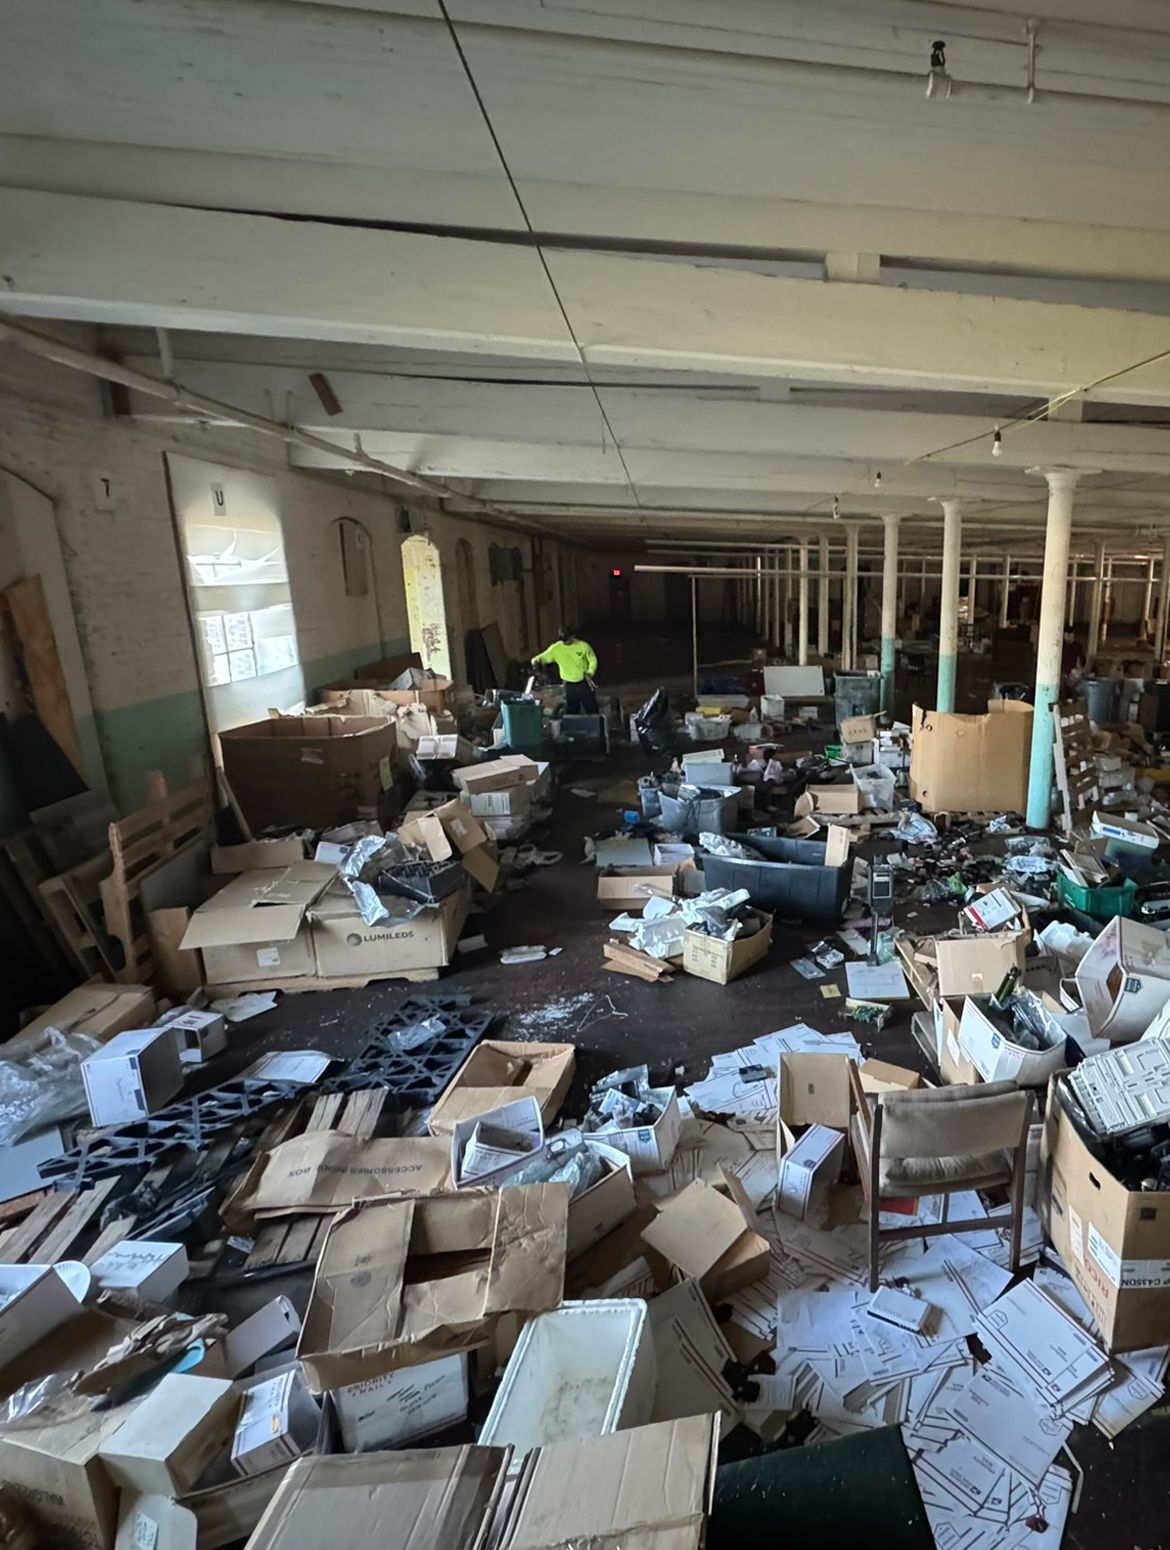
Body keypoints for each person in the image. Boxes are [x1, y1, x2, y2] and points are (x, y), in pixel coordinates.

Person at [532, 627, 599, 714]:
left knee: (591, 707)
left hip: (584, 682)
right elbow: (541, 657)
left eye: (567, 640)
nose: (565, 642)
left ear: (572, 636)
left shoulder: (583, 646)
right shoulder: (556, 648)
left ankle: (595, 721)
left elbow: (593, 660)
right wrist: (535, 662)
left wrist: (590, 672)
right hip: (569, 684)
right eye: (563, 640)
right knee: (572, 709)